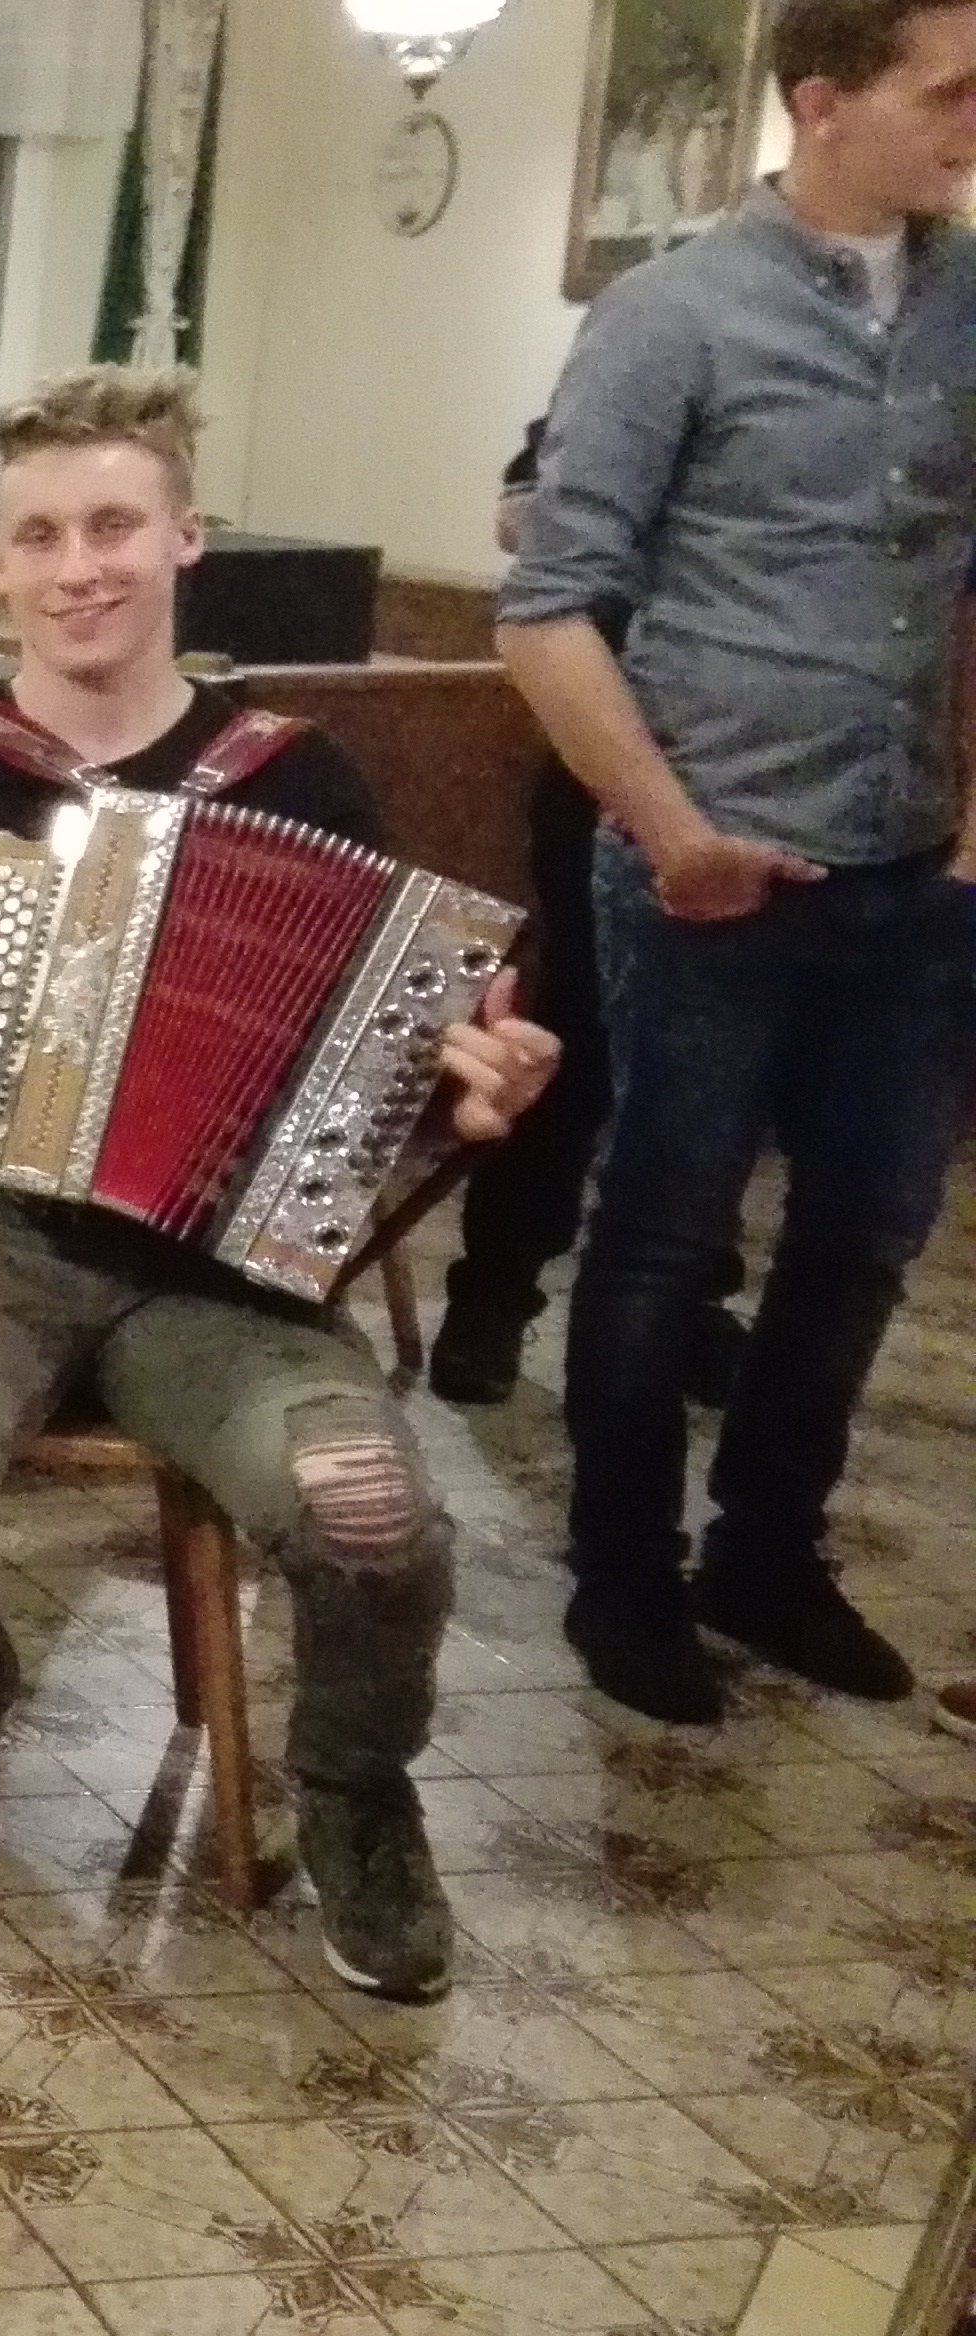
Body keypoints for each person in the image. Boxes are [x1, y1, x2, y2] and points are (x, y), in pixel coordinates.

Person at [0, 365, 560, 2004]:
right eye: (39, 536)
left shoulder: (296, 777)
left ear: (185, 536)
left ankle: (356, 1790)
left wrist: (475, 1087)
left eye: (112, 525)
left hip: (220, 1271)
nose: (78, 566)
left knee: (368, 1511)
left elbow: (384, 1080)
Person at [496, 0, 976, 1727]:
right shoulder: (672, 314)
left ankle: (768, 1553)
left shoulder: (973, 307)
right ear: (824, 100)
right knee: (662, 1234)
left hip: (912, 871)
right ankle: (623, 1580)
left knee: (865, 1238)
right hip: (709, 870)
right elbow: (548, 609)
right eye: (952, 89)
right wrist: (669, 829)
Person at [426, 422, 750, 1405]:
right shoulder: (647, 366)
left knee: (726, 1057)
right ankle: (491, 1297)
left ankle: (691, 1300)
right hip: (607, 752)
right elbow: (517, 515)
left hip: (754, 770)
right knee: (572, 1035)